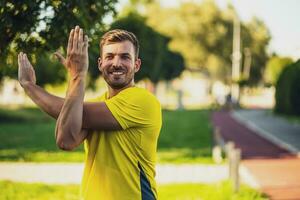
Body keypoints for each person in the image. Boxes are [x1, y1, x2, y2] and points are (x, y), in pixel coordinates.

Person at [18, 26, 162, 200]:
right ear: (100, 64)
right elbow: (66, 140)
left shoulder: (143, 101)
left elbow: (70, 110)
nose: (116, 63)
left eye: (125, 57)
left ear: (136, 64)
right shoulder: (98, 103)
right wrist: (73, 77)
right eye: (109, 56)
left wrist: (32, 86)